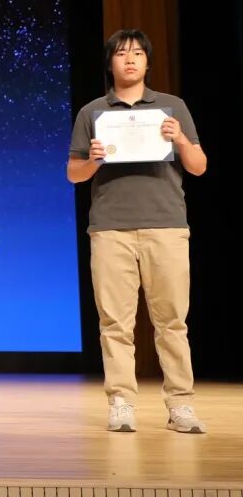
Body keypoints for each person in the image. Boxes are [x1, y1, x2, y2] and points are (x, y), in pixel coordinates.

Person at [67, 29, 208, 433]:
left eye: (137, 53)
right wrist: (93, 160)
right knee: (115, 323)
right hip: (110, 229)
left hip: (166, 226)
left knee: (172, 322)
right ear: (110, 62)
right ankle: (121, 402)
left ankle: (180, 405)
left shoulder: (172, 107)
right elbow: (74, 174)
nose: (130, 60)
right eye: (121, 53)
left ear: (147, 62)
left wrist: (180, 139)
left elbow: (199, 166)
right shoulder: (93, 112)